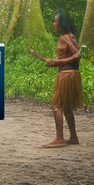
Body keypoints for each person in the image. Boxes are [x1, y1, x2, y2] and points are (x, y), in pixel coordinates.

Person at [29, 9, 83, 147]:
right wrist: (52, 62)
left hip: (66, 75)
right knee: (66, 106)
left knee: (57, 104)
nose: (53, 23)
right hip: (68, 73)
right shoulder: (67, 37)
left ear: (61, 22)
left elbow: (77, 56)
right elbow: (71, 58)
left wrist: (56, 62)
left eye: (55, 20)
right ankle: (73, 137)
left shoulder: (66, 38)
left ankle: (59, 138)